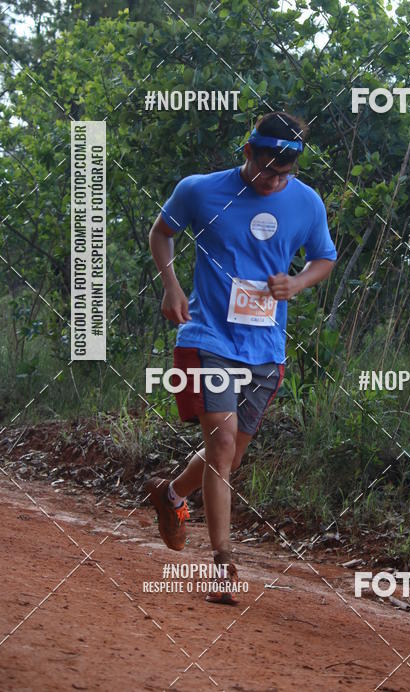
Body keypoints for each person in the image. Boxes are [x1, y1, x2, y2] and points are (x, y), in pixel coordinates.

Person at [145, 112, 337, 604]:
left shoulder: (306, 201)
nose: (275, 181)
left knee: (225, 456)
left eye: (284, 173)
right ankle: (223, 565)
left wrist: (296, 282)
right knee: (223, 443)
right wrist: (171, 286)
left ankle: (171, 496)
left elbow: (325, 258)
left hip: (266, 347)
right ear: (246, 153)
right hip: (209, 335)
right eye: (268, 170)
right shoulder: (199, 190)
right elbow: (161, 233)